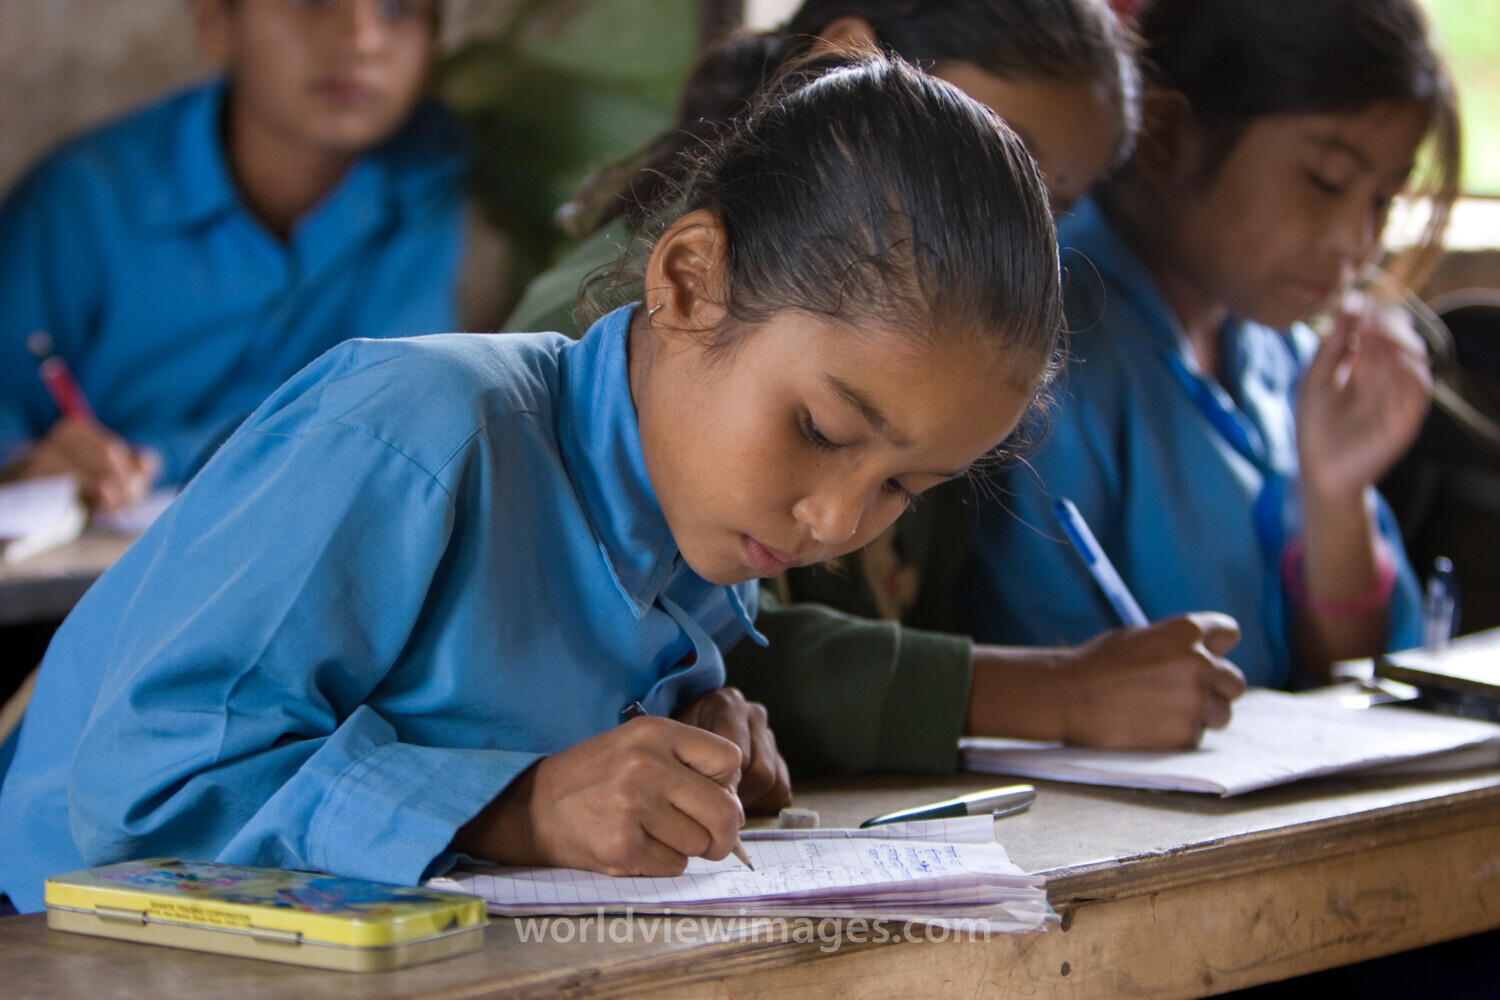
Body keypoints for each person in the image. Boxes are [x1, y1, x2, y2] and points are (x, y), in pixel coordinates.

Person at [0, 52, 1063, 915]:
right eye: (823, 428)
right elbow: (145, 781)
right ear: (689, 280)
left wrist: (698, 742)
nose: (838, 519)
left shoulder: (702, 541)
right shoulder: (418, 432)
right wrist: (515, 806)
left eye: (906, 489)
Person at [508, 0, 1248, 770]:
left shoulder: (924, 391)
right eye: (983, 151)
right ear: (848, 64)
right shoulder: (619, 338)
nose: (833, 520)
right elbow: (583, 639)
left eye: (1048, 207)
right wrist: (1059, 693)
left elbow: (713, 653)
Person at [963, 0, 1460, 689]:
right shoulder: (1040, 341)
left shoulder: (1280, 352)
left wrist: (1336, 493)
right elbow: (1050, 673)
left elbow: (1360, 676)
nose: (1357, 243)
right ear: (1167, 135)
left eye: (1384, 199)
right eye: (1326, 181)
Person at [0, 0, 466, 512]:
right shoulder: (88, 198)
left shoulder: (427, 176)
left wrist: (153, 457)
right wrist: (25, 465)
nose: (363, 40)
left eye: (396, 8)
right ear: (217, 23)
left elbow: (388, 402)